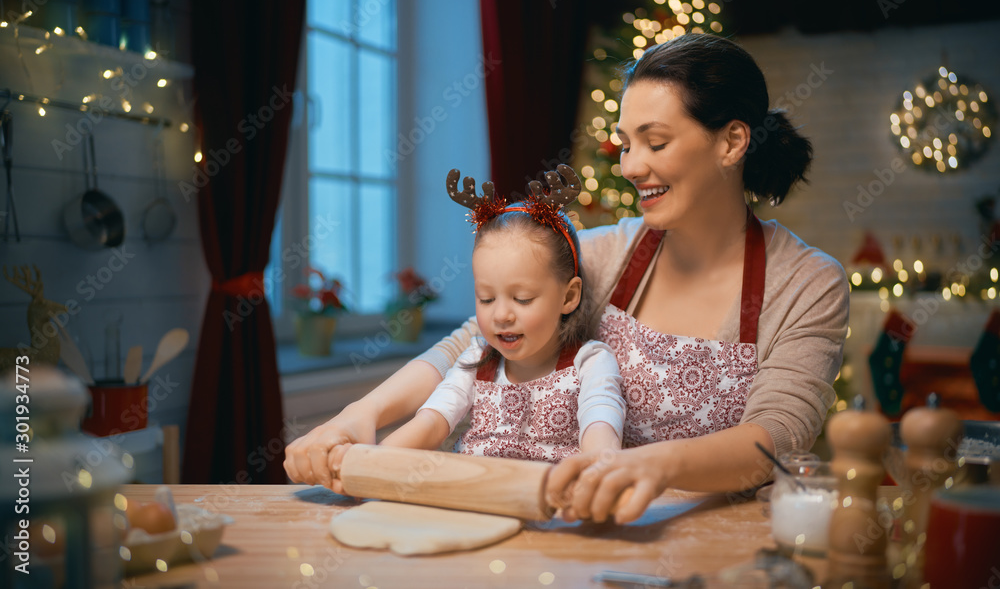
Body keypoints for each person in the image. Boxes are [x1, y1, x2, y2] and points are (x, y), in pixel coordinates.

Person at [284, 33, 849, 525]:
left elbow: (776, 434)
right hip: (590, 530)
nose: (629, 166)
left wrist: (652, 465)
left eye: (655, 143)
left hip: (713, 537)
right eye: (626, 144)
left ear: (731, 142)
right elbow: (474, 341)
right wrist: (360, 416)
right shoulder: (606, 254)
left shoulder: (807, 283)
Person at [374, 166, 625, 461]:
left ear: (568, 296)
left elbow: (601, 435)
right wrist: (370, 461)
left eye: (522, 298)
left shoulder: (591, 363)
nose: (501, 315)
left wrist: (600, 471)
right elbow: (430, 424)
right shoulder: (476, 359)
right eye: (487, 298)